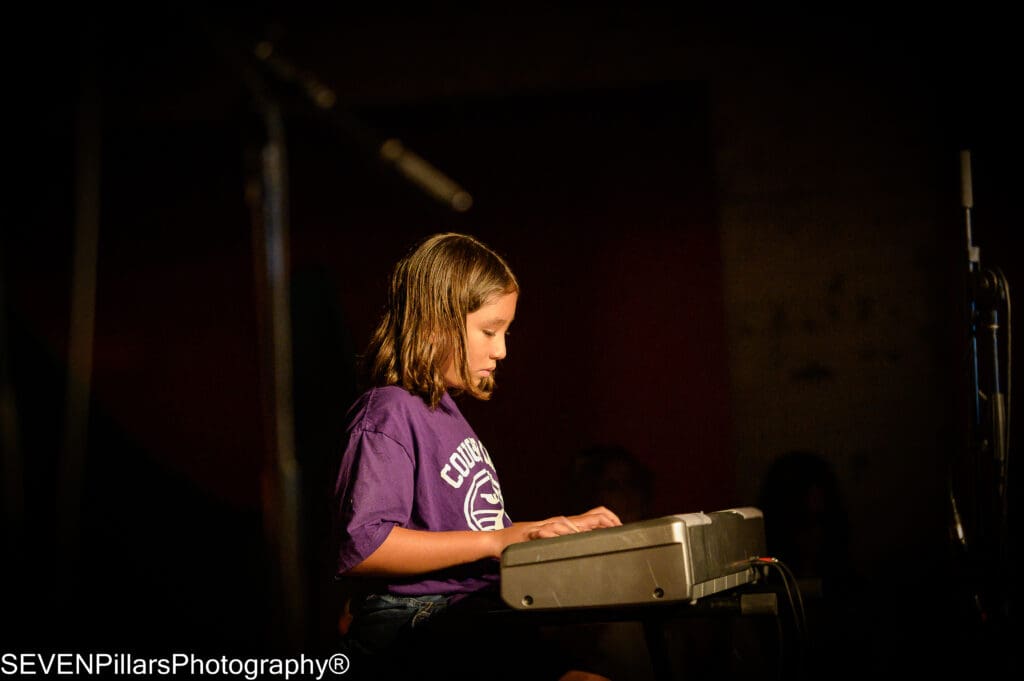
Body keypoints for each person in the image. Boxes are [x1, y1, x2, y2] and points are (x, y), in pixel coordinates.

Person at [332, 232, 621, 680]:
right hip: (422, 622)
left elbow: (474, 526)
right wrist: (494, 542)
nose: (500, 350)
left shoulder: (444, 412)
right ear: (434, 322)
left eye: (504, 332)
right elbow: (365, 545)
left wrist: (550, 534)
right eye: (489, 331)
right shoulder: (390, 410)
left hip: (467, 613)